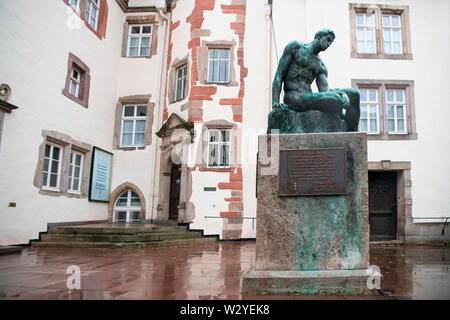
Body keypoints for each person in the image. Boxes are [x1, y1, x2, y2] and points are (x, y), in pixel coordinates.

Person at [272, 29, 360, 131]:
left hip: (308, 98)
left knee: (353, 95)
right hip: (294, 98)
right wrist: (275, 102)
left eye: (331, 42)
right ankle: (340, 118)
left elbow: (324, 91)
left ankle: (351, 136)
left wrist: (343, 94)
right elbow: (279, 74)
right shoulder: (295, 47)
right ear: (318, 37)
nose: (329, 44)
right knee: (335, 98)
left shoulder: (320, 65)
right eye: (328, 40)